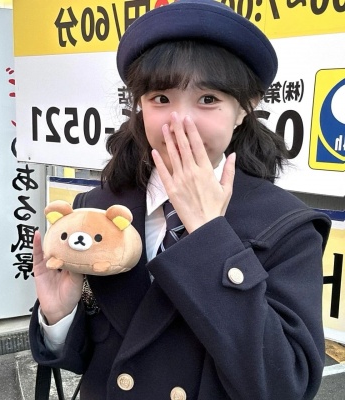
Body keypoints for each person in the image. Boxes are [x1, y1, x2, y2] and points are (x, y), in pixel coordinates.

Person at [30, 1, 331, 399]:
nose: (179, 122)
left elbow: (285, 384)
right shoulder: (99, 208)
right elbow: (86, 358)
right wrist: (58, 316)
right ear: (140, 106)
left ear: (245, 108)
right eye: (160, 98)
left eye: (208, 99)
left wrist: (209, 236)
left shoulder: (286, 226)